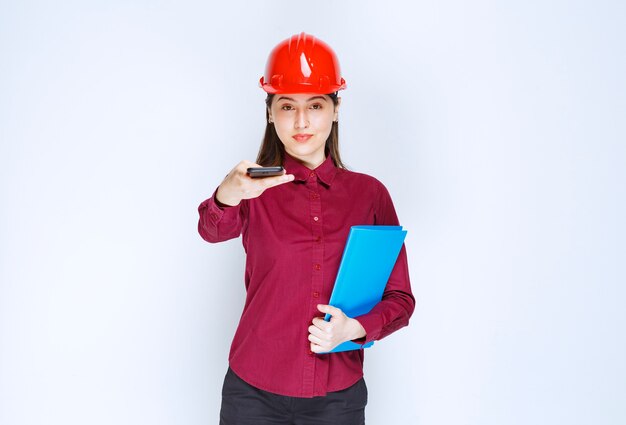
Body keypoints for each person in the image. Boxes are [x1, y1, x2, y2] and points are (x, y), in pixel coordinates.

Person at [198, 32, 415, 425]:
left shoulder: (370, 195)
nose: (301, 122)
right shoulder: (250, 188)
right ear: (270, 112)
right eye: (287, 106)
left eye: (315, 105)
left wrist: (356, 328)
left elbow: (400, 299)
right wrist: (226, 194)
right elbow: (211, 231)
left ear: (335, 109)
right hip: (252, 393)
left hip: (338, 399)